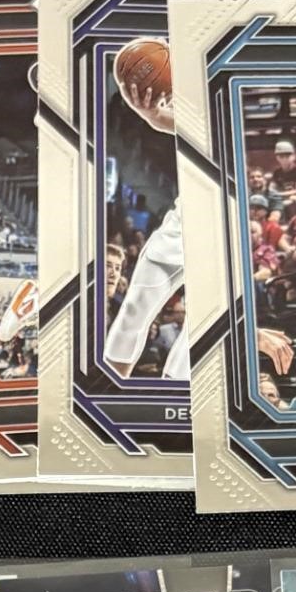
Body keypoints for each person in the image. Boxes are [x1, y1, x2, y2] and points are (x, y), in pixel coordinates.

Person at [101, 70, 189, 384]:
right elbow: (173, 122)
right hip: (186, 215)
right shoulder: (195, 115)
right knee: (134, 312)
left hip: (225, 224)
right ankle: (108, 390)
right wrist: (151, 113)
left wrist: (155, 115)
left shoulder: (226, 105)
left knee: (204, 325)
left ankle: (177, 396)